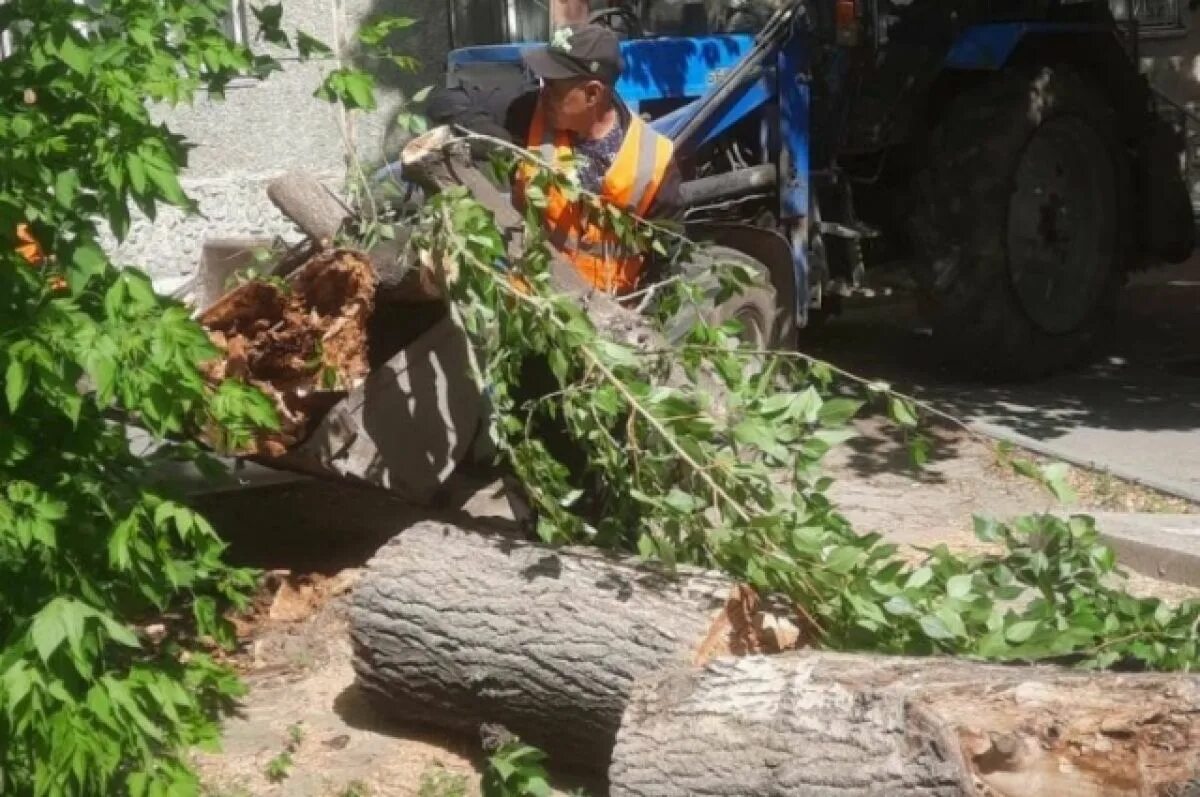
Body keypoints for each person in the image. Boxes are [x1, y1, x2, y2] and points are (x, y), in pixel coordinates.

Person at [428, 24, 683, 295]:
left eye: (553, 85)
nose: (543, 92)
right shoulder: (529, 113)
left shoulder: (654, 162)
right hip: (532, 302)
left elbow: (667, 261)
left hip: (609, 315)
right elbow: (444, 100)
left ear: (592, 94)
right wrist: (501, 145)